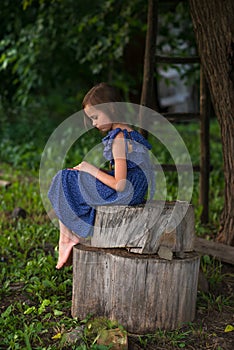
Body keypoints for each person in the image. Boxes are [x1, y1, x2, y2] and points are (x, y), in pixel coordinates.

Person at [48, 82, 154, 269]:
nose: (94, 123)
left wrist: (91, 169)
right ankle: (67, 234)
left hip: (124, 194)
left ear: (111, 109)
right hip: (133, 191)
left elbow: (120, 184)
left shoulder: (119, 139)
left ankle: (67, 236)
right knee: (70, 176)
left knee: (63, 178)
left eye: (95, 117)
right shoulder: (130, 133)